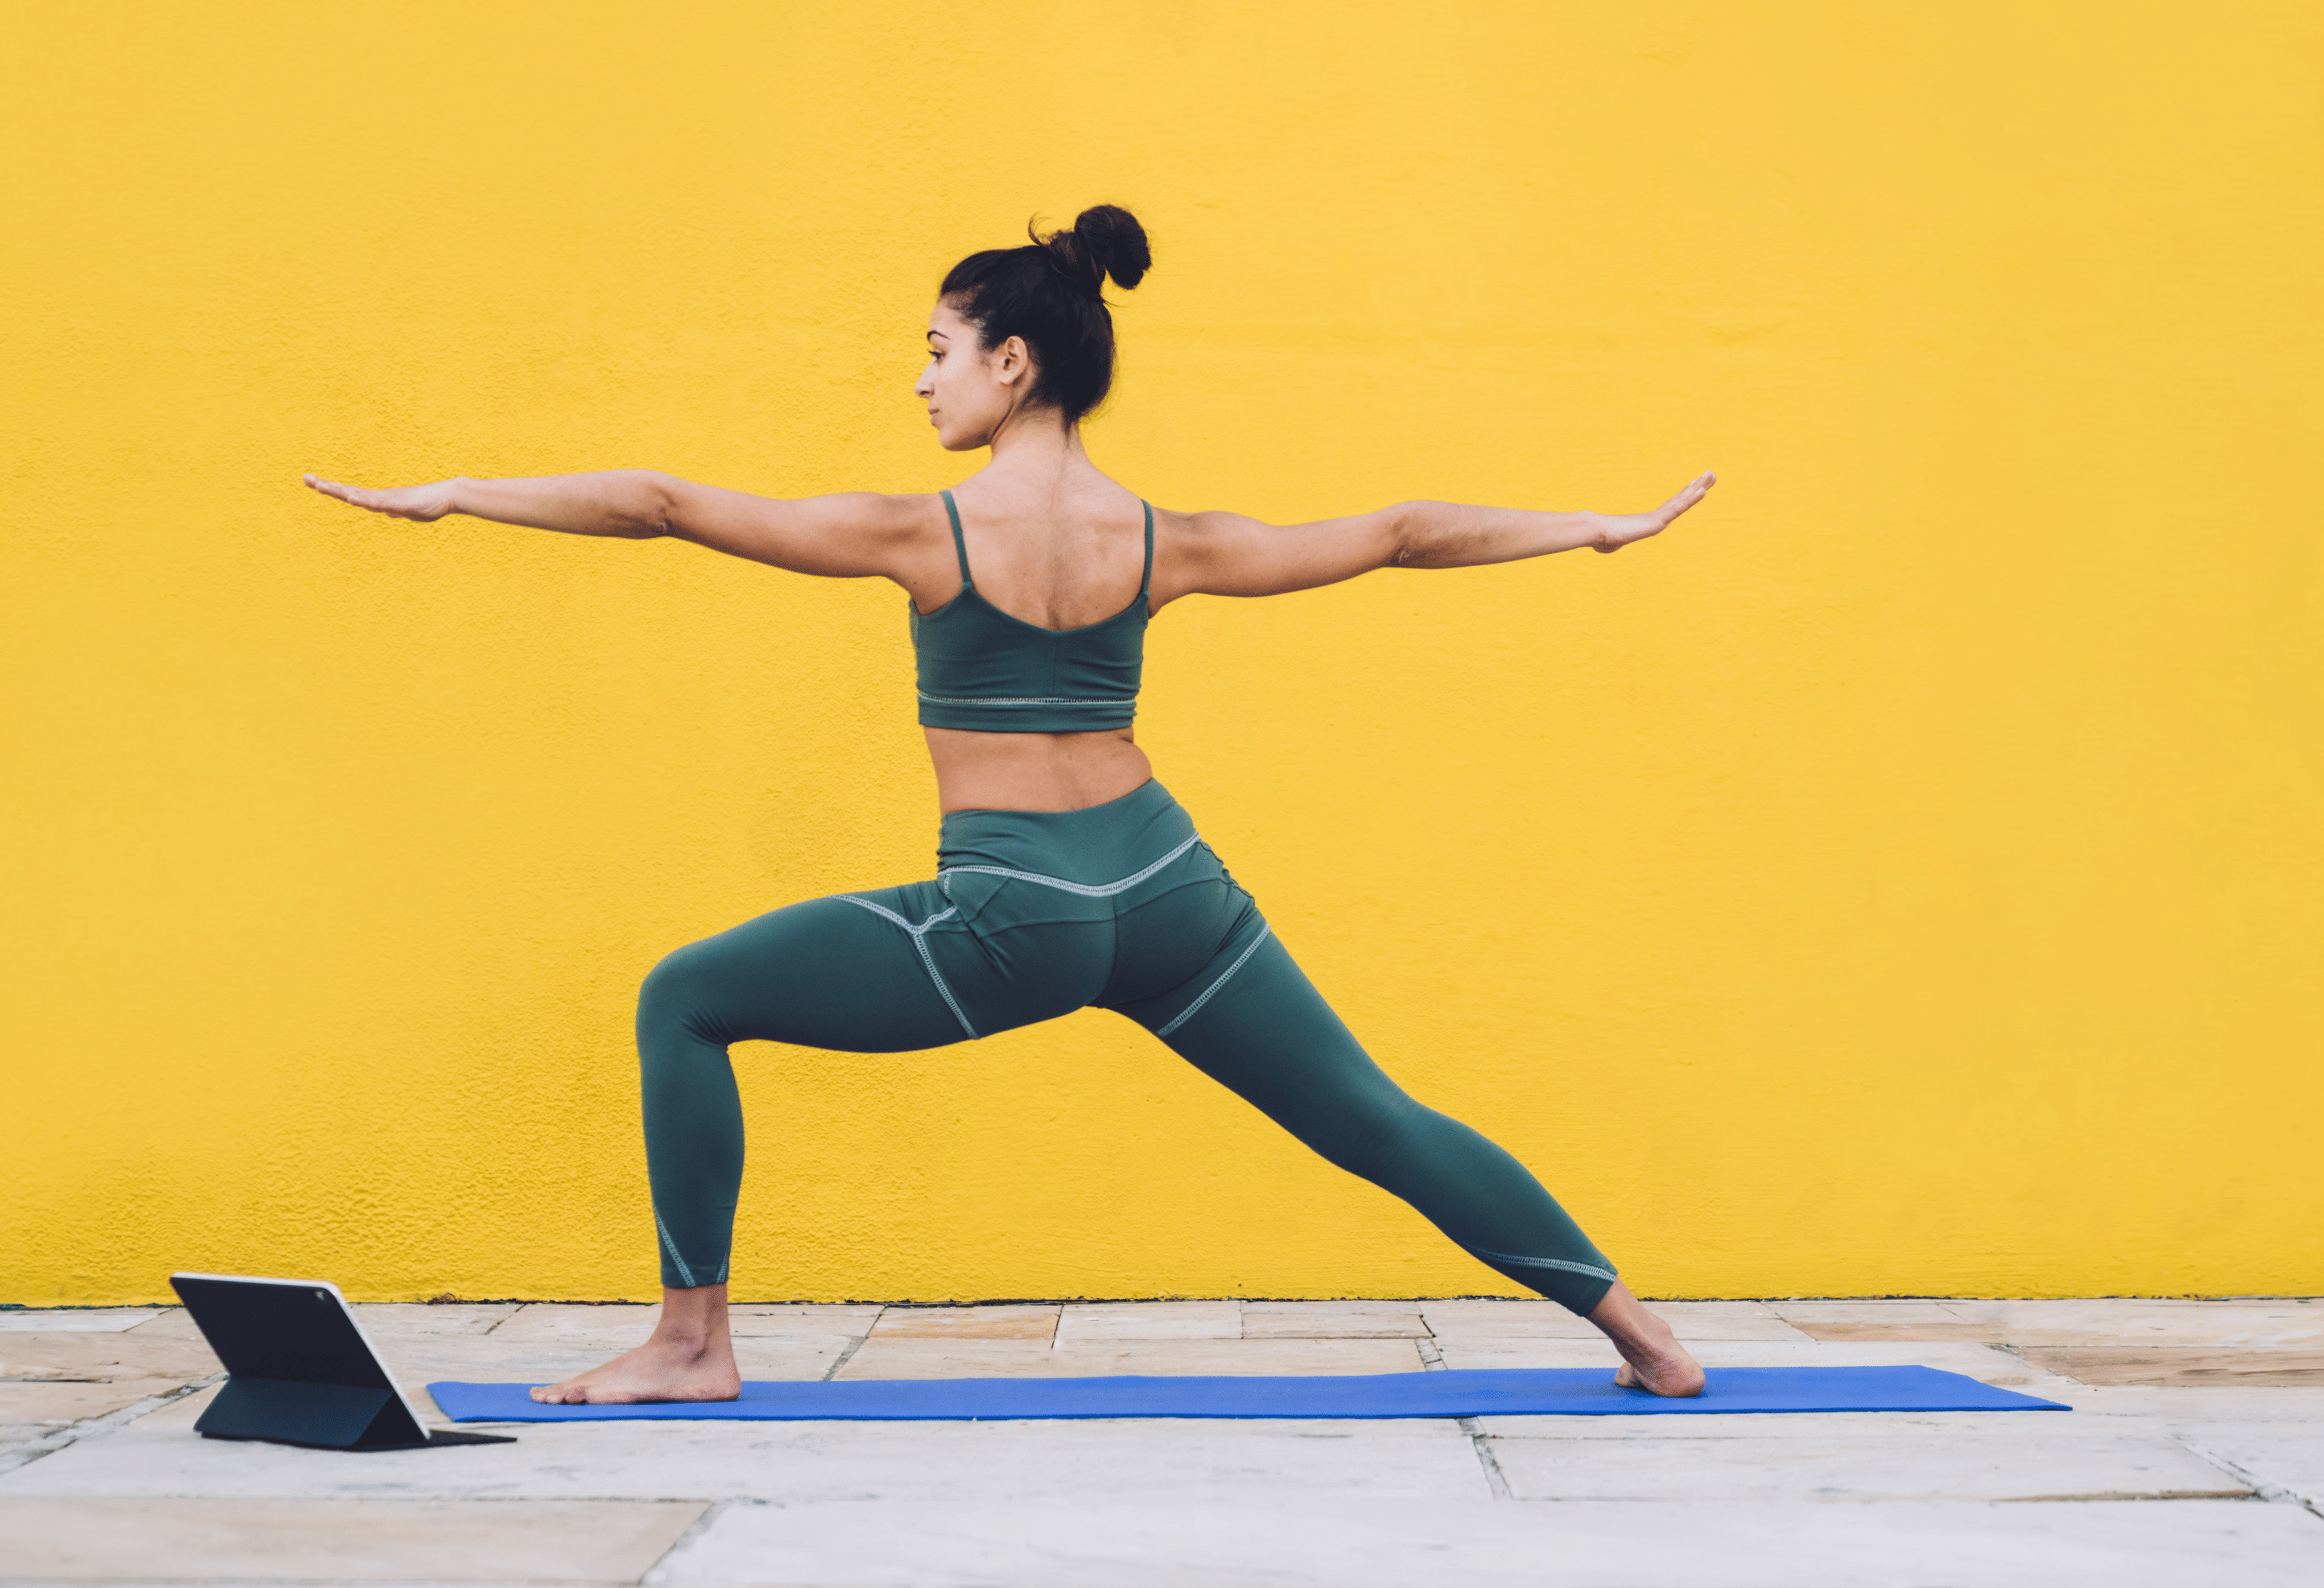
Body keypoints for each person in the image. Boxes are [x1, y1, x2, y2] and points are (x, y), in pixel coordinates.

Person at [308, 204, 1716, 1402]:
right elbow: (1404, 534)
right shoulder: (1170, 541)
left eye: (937, 351)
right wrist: (1593, 527)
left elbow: (663, 501)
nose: (922, 381)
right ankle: (1639, 1330)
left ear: (1012, 358)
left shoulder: (924, 531)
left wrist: (459, 493)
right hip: (1173, 894)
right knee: (1377, 1117)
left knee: (684, 995)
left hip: (1013, 912)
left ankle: (690, 1338)